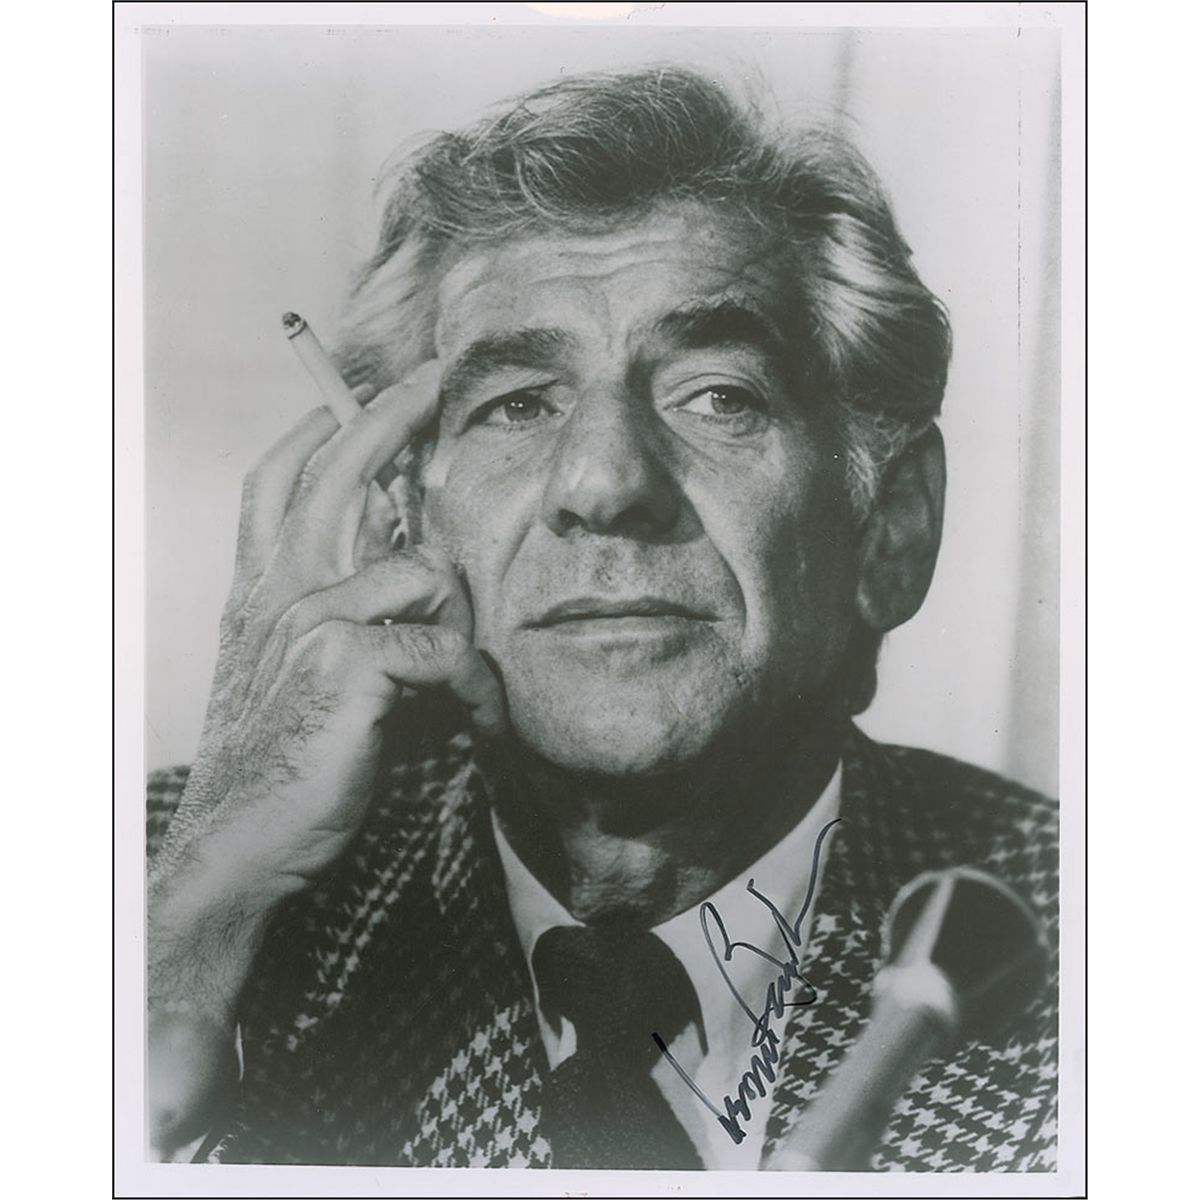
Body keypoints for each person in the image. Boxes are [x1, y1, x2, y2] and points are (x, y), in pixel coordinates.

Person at [146, 66, 1058, 1171]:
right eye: (518, 404)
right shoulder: (147, 891)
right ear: (402, 529)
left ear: (891, 530)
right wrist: (186, 951)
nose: (606, 481)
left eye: (718, 396)